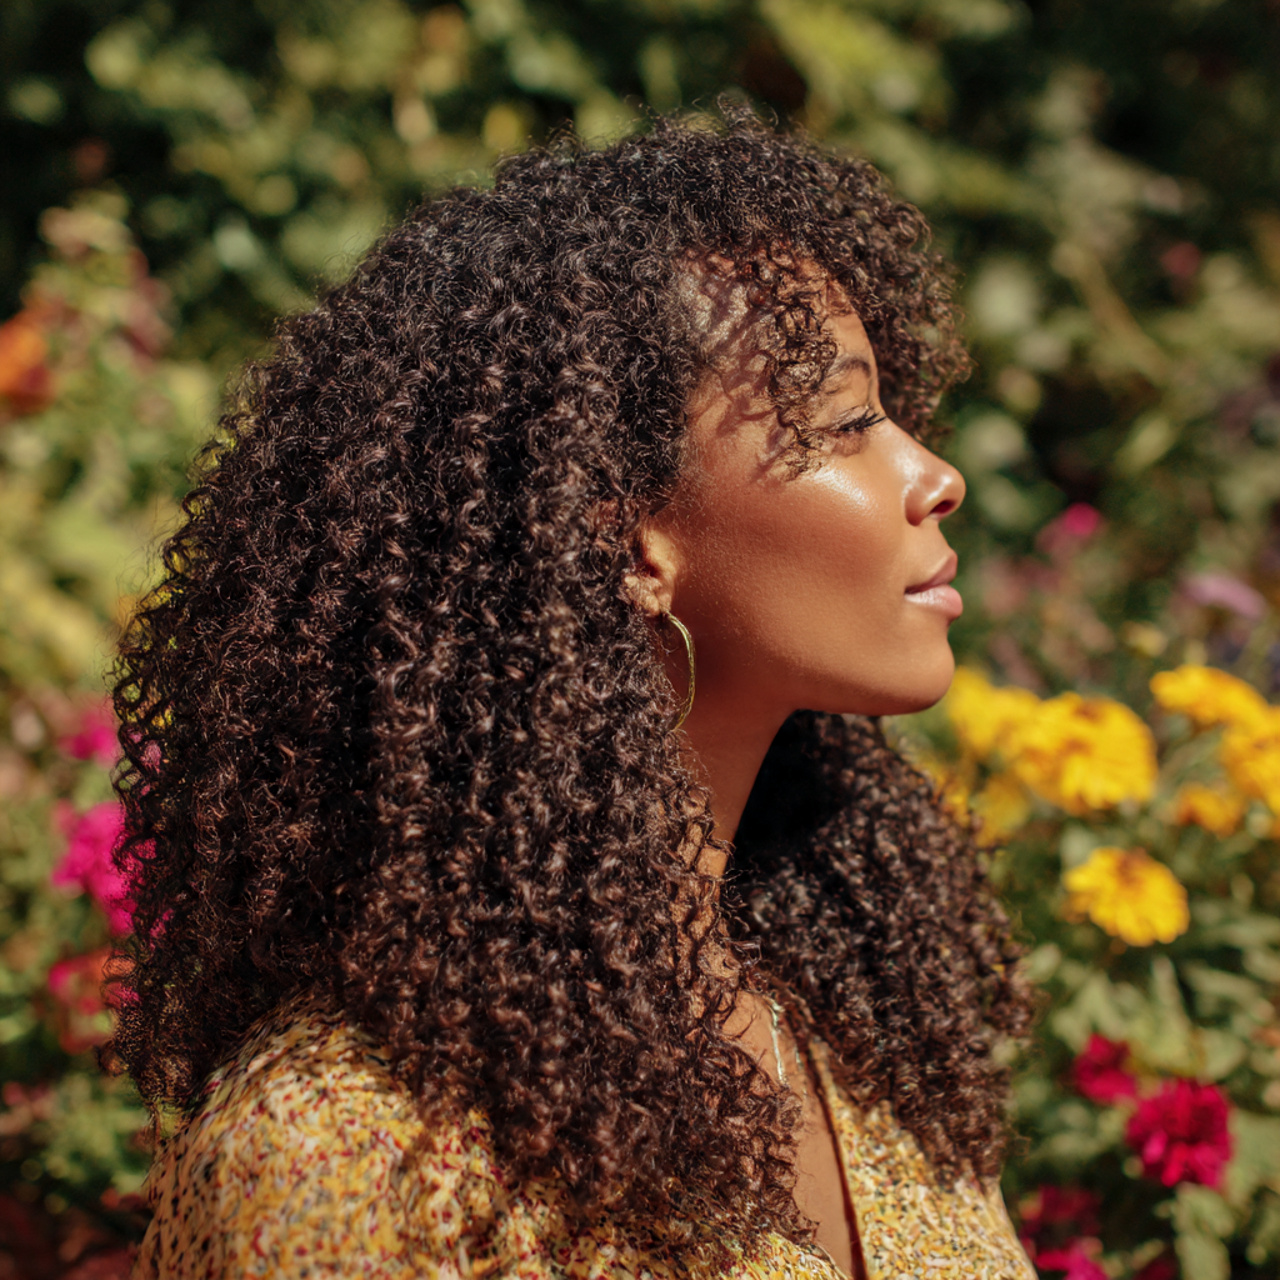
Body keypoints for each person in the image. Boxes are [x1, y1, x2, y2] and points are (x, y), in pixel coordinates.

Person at [114, 103, 1037, 1279]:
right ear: (621, 534)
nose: (935, 474)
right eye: (846, 420)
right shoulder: (351, 1160)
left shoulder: (861, 1041)